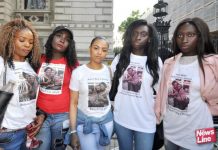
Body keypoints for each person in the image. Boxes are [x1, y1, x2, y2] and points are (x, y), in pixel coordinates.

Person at [155, 17, 218, 150]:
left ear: (200, 37)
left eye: (190, 35)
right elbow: (162, 94)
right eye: (179, 35)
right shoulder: (169, 62)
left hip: (201, 130)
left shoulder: (213, 63)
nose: (184, 39)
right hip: (171, 130)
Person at [110, 19, 163, 150]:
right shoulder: (120, 58)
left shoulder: (155, 62)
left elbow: (162, 92)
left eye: (143, 34)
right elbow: (109, 82)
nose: (138, 37)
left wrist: (159, 113)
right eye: (134, 33)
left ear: (149, 38)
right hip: (121, 118)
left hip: (145, 121)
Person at [0, 18, 45, 150]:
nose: (27, 45)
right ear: (10, 39)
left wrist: (40, 114)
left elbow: (30, 97)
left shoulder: (30, 65)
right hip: (8, 132)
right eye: (22, 40)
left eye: (31, 42)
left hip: (27, 131)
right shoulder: (3, 63)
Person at [35, 26, 78, 150]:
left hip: (62, 116)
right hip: (41, 115)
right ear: (51, 38)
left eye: (67, 39)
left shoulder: (73, 65)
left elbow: (78, 93)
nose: (62, 40)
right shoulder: (38, 60)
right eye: (59, 36)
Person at [69, 36, 113, 150]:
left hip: (106, 123)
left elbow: (108, 96)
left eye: (104, 50)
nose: (99, 53)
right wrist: (73, 131)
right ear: (90, 49)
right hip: (84, 124)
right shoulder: (78, 72)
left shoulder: (109, 70)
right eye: (96, 48)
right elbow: (73, 103)